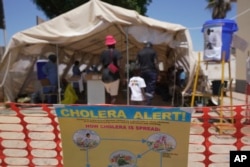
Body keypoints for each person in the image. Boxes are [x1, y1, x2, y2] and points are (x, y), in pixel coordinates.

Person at [100, 35, 123, 104]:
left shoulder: (103, 53)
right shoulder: (117, 52)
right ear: (114, 43)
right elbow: (119, 65)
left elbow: (102, 64)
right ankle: (112, 111)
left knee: (107, 95)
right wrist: (122, 75)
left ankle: (107, 110)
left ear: (107, 44)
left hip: (105, 75)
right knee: (113, 96)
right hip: (114, 76)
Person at [136, 41, 159, 105]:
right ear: (151, 46)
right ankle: (148, 102)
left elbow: (137, 64)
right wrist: (158, 71)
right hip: (151, 71)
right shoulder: (153, 51)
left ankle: (144, 100)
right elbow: (155, 63)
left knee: (143, 86)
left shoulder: (140, 52)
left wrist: (138, 73)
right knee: (151, 86)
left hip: (142, 71)